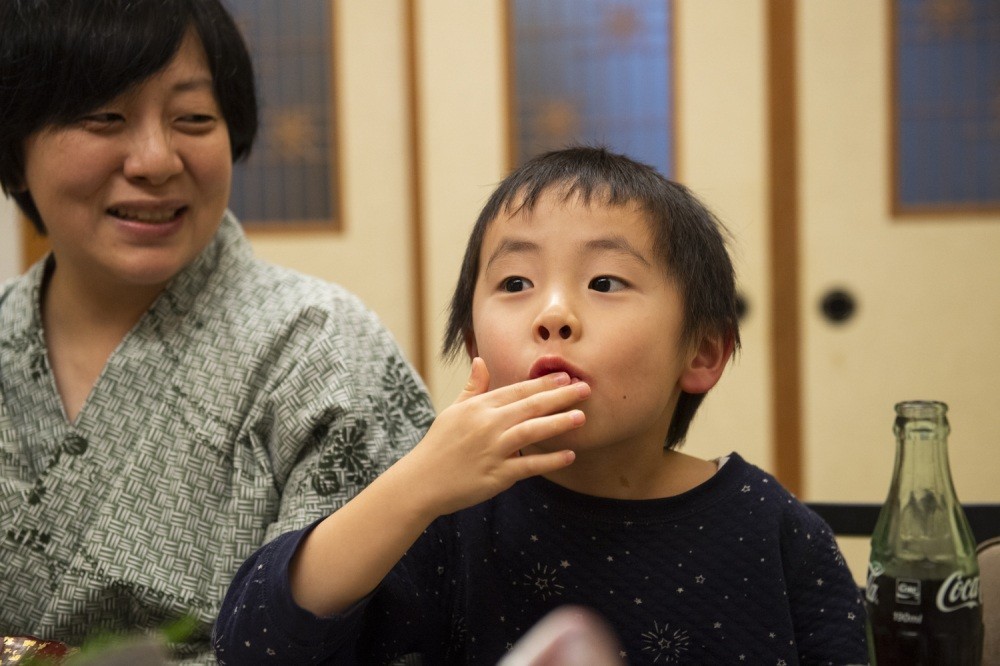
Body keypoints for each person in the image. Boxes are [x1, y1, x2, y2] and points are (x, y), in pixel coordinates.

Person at [214, 147, 869, 664]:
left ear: (701, 353)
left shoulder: (775, 533)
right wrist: (412, 488)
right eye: (516, 283)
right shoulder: (445, 519)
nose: (553, 314)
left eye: (605, 282)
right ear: (475, 347)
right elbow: (255, 644)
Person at [0, 1, 433, 662]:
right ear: (16, 140)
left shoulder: (322, 349)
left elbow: (405, 631)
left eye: (193, 118)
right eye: (104, 116)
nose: (154, 159)